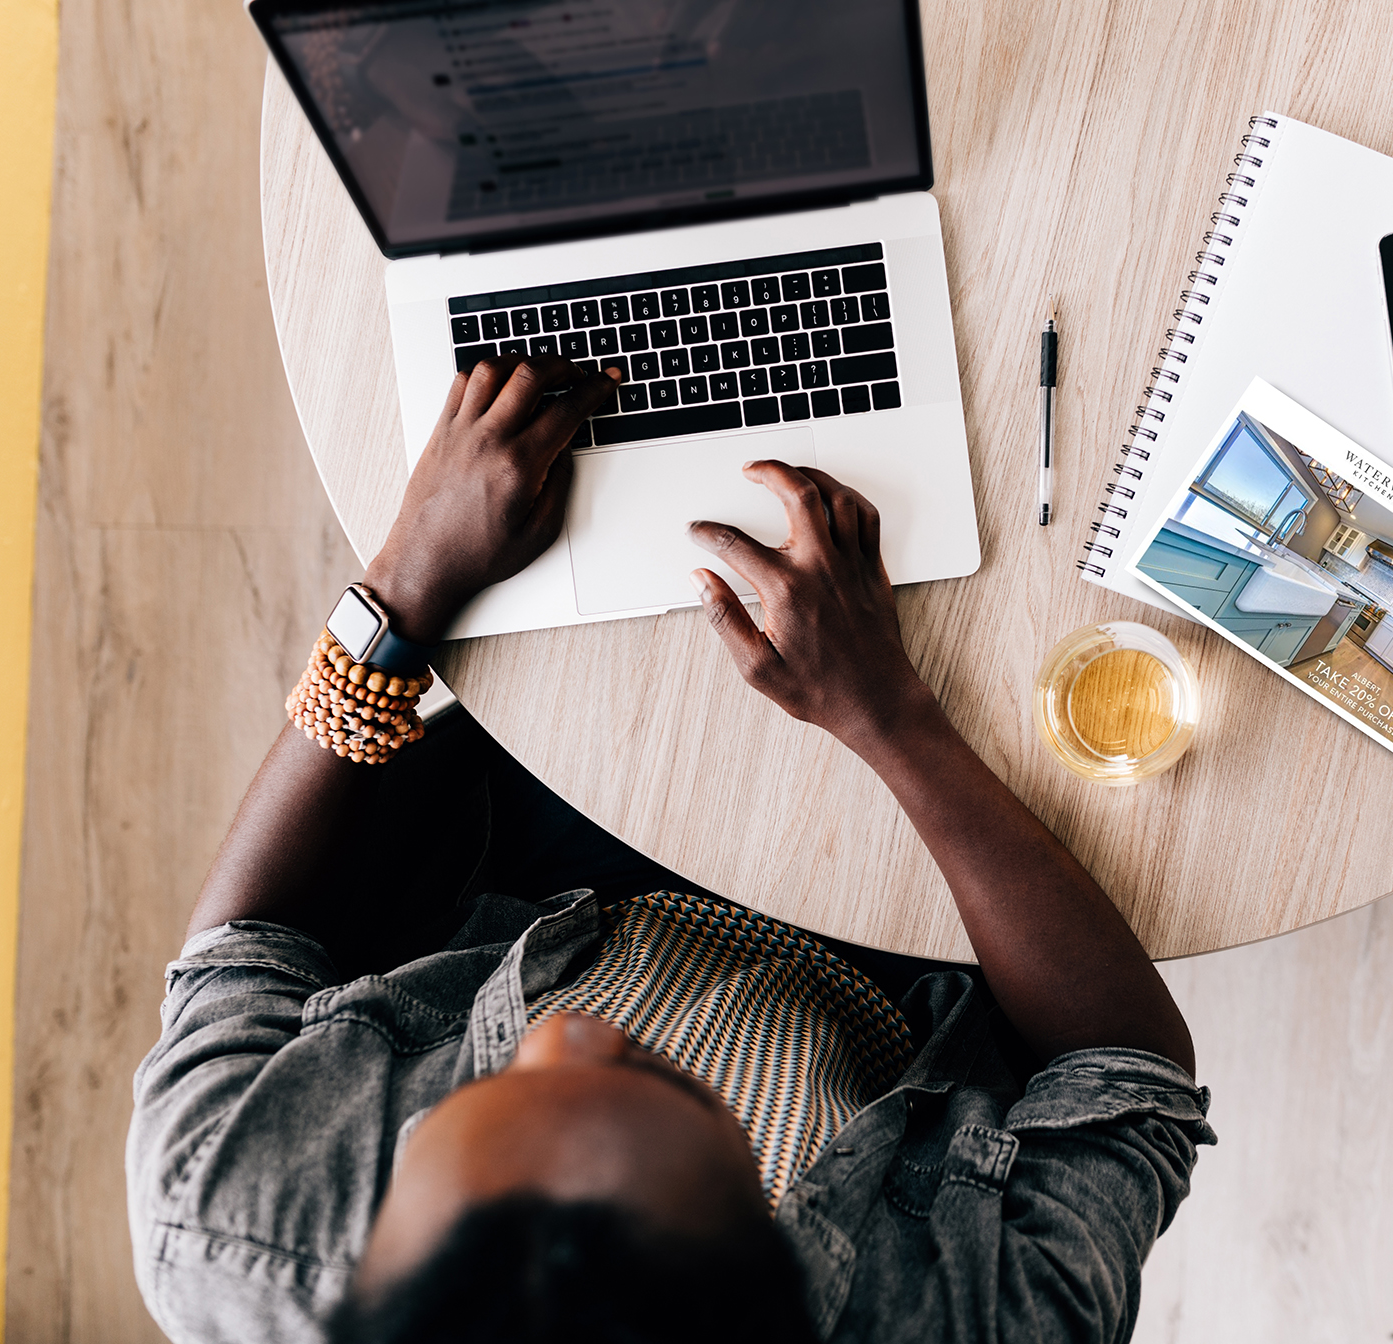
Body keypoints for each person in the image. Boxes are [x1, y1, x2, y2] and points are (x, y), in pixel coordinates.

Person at [126, 353, 1213, 1344]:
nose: (565, 1040)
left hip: (553, 867)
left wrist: (408, 581)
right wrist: (890, 717)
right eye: (664, 1091)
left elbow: (246, 946)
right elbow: (1129, 1073)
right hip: (933, 971)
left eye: (473, 1097)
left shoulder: (222, 1217)